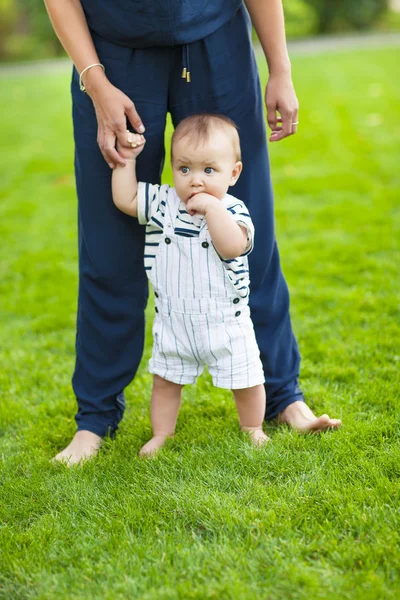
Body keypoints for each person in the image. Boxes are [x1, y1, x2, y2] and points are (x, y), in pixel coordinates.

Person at [44, 0, 341, 464]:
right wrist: (95, 82)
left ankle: (283, 395)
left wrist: (279, 67)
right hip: (111, 54)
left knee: (246, 236)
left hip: (215, 44)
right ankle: (95, 418)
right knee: (108, 244)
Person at [113, 114, 269, 456]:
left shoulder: (233, 210)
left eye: (208, 171)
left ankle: (253, 427)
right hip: (174, 319)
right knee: (165, 381)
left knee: (246, 378)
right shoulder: (164, 203)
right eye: (184, 169)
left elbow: (232, 247)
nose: (195, 181)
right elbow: (125, 199)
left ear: (234, 173)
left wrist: (213, 209)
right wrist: (127, 160)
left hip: (225, 320)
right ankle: (162, 434)